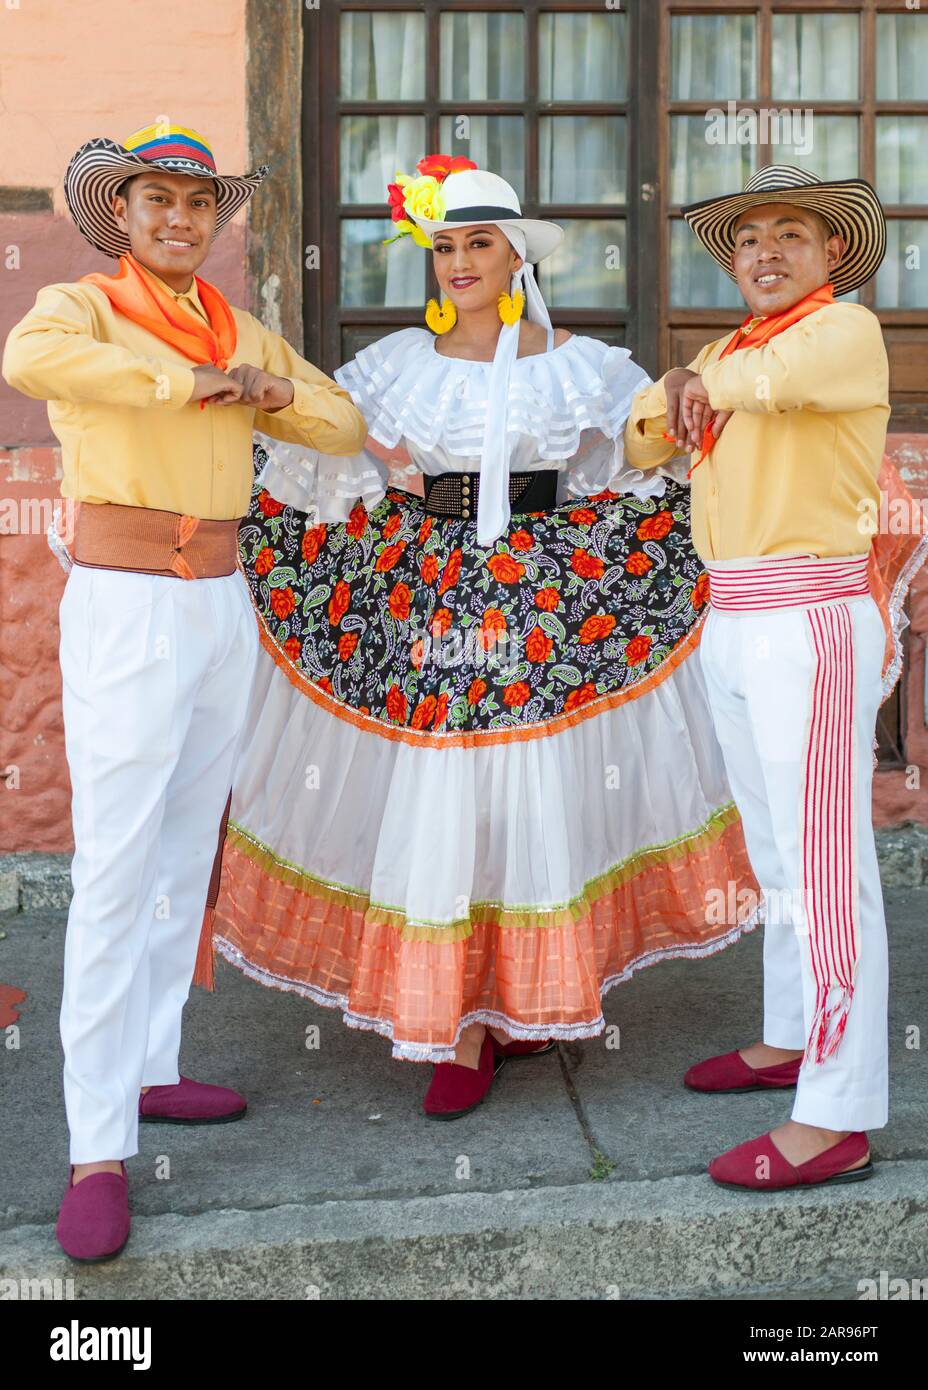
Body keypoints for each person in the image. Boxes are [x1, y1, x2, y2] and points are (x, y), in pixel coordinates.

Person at [197, 157, 762, 1119]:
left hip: (544, 588)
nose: (459, 262)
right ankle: (458, 1020)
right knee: (452, 783)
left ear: (514, 258)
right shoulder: (396, 365)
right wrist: (264, 411)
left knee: (531, 790)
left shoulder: (582, 364)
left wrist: (680, 385)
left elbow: (633, 456)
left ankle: (519, 1004)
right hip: (435, 585)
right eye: (446, 246)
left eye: (479, 245)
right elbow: (333, 448)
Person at [1, 121, 368, 1261]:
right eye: (157, 201)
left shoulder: (237, 322)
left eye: (199, 205)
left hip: (220, 601)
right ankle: (96, 1143)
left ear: (217, 222)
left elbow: (340, 422)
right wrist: (188, 381)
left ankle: (152, 1067)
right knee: (115, 862)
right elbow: (30, 363)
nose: (178, 220)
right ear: (121, 214)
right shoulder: (82, 310)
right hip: (125, 600)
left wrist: (259, 384)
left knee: (180, 848)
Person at [624, 164, 928, 1191]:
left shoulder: (840, 331)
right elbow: (638, 434)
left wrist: (694, 391)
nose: (764, 251)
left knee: (826, 865)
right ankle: (793, 1035)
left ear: (828, 251)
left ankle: (836, 1112)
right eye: (747, 238)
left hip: (811, 615)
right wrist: (678, 393)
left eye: (789, 233)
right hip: (735, 613)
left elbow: (758, 388)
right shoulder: (720, 353)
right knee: (774, 849)